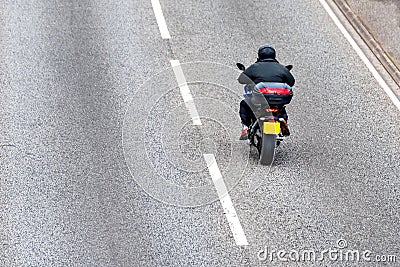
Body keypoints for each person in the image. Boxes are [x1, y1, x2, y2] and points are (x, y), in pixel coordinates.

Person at [237, 44, 295, 140]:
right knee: (281, 109)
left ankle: (246, 127)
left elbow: (241, 79)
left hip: (261, 99)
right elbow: (291, 81)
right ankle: (283, 120)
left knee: (245, 104)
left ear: (259, 56)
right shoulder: (281, 68)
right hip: (278, 98)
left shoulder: (255, 67)